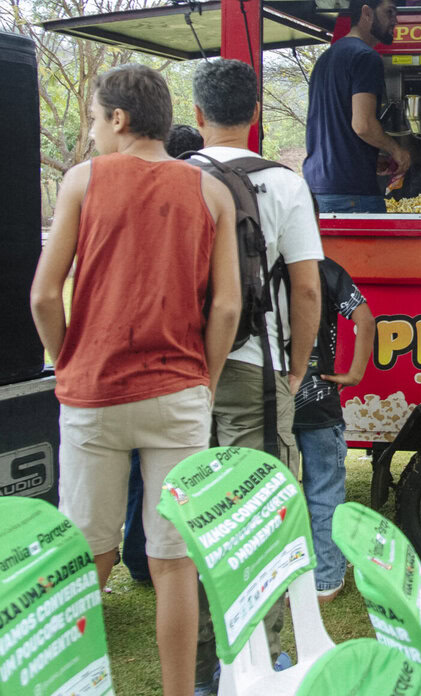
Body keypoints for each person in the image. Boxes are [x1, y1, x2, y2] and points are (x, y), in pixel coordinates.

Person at [29, 65, 242, 696]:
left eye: (95, 119)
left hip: (93, 393)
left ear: (118, 119)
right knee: (174, 562)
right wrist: (206, 378)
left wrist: (66, 357)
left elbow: (44, 296)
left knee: (87, 557)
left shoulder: (82, 180)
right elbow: (227, 307)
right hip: (178, 393)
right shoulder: (212, 191)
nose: (94, 131)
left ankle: (62, 685)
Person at [188, 58, 323, 686]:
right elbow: (308, 289)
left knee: (191, 513)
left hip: (182, 371)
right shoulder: (285, 185)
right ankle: (257, 661)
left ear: (196, 114)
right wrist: (296, 370)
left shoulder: (177, 176)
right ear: (257, 115)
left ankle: (199, 666)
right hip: (254, 369)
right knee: (257, 514)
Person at [117, 122, 207, 591]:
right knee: (174, 473)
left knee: (139, 467)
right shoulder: (199, 206)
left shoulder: (130, 205)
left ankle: (137, 557)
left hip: (130, 355)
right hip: (178, 360)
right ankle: (162, 557)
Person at [294, 245, 374, 605]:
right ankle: (326, 580)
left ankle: (276, 580)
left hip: (273, 401)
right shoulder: (326, 269)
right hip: (320, 401)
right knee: (325, 491)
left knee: (275, 496)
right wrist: (355, 374)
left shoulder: (260, 266)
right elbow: (365, 320)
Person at [303, 0, 411, 212]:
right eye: (389, 12)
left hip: (317, 188)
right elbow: (363, 125)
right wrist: (396, 151)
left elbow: (337, 125)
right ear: (366, 13)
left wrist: (368, 156)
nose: (395, 21)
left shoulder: (325, 59)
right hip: (352, 194)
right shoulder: (366, 57)